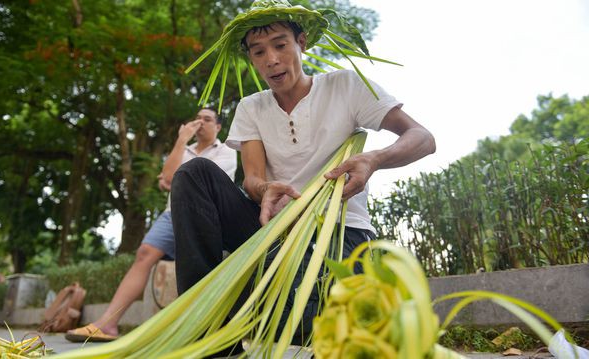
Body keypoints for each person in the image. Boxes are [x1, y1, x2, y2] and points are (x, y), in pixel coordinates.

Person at [170, 0, 436, 351]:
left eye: (280, 45)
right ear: (251, 58)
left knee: (319, 323)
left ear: (302, 43)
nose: (271, 59)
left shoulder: (346, 86)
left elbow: (422, 138)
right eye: (259, 51)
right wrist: (264, 188)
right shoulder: (252, 107)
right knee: (193, 174)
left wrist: (374, 159)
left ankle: (288, 317)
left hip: (340, 233)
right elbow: (252, 178)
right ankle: (207, 335)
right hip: (275, 232)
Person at [65, 107, 237, 342]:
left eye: (207, 119)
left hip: (204, 217)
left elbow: (205, 185)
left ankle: (200, 329)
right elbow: (167, 177)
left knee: (198, 266)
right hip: (171, 213)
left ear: (218, 127)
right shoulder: (183, 149)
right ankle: (107, 324)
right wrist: (181, 140)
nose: (200, 123)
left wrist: (175, 179)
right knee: (144, 254)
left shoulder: (226, 151)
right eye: (197, 119)